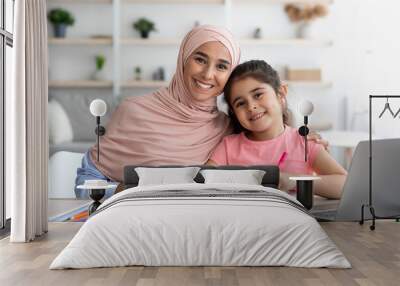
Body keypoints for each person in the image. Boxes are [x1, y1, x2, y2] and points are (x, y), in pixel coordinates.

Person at [75, 26, 327, 199]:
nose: (207, 75)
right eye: (200, 59)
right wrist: (121, 192)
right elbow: (84, 186)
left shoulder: (228, 127)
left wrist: (305, 137)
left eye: (221, 66)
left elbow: (268, 140)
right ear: (183, 58)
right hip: (121, 213)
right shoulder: (132, 109)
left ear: (229, 75)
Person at [207, 60, 347, 199]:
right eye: (241, 103)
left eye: (258, 95)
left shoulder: (304, 143)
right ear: (234, 112)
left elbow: (345, 185)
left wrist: (292, 180)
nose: (251, 107)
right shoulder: (228, 146)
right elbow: (202, 181)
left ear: (281, 93)